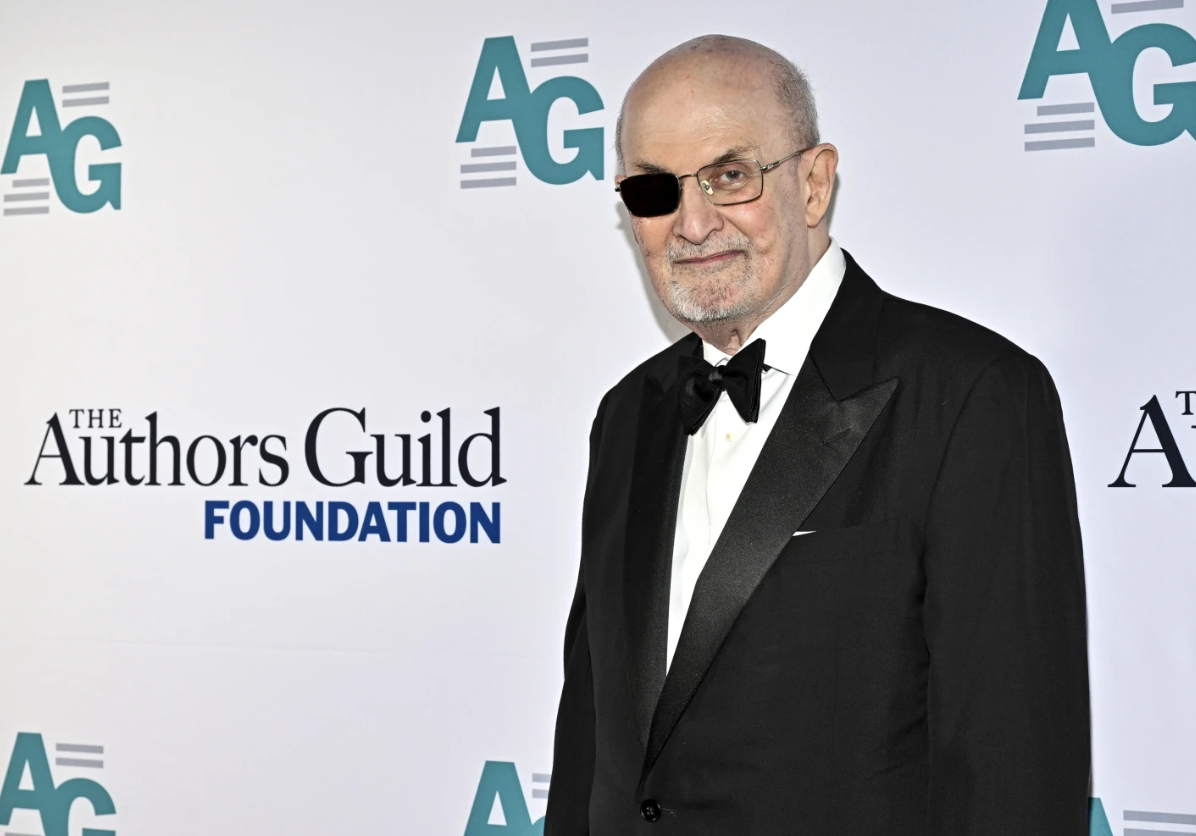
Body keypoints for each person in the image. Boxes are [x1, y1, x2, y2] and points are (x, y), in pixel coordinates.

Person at [544, 34, 1090, 836]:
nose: (691, 224)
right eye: (655, 189)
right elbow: (592, 735)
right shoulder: (627, 413)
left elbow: (1013, 769)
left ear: (813, 182)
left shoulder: (973, 396)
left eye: (729, 177)